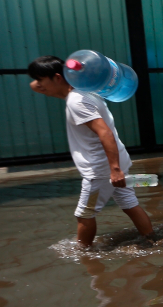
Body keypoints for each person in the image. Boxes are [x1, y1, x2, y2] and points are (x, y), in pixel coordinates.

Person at [27, 56, 155, 247]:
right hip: (114, 162)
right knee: (129, 203)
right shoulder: (85, 91)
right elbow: (34, 86)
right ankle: (152, 239)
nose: (38, 85)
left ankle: (84, 255)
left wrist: (114, 170)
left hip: (101, 171)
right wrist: (64, 72)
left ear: (57, 78)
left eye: (41, 79)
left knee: (84, 213)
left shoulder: (76, 101)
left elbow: (105, 133)